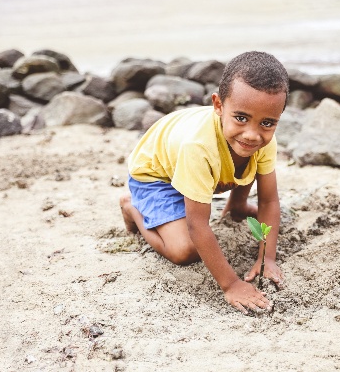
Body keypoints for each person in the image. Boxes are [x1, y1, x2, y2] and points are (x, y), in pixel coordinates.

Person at [120, 51, 289, 314]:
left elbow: (269, 200)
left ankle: (237, 206)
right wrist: (231, 284)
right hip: (156, 175)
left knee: (246, 152)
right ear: (219, 105)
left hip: (197, 165)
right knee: (184, 251)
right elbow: (197, 224)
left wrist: (267, 258)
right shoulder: (198, 147)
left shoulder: (260, 140)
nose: (253, 133)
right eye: (241, 117)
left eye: (267, 123)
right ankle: (133, 207)